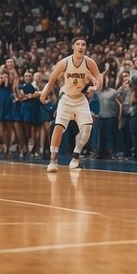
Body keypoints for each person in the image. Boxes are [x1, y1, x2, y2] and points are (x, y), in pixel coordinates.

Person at [39, 37, 102, 172]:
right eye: (78, 44)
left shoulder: (90, 62)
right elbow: (51, 81)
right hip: (66, 98)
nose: (81, 47)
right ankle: (53, 160)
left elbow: (98, 78)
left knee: (87, 129)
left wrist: (95, 87)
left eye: (83, 45)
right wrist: (44, 93)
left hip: (81, 99)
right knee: (58, 127)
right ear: (73, 47)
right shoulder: (64, 62)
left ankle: (75, 156)